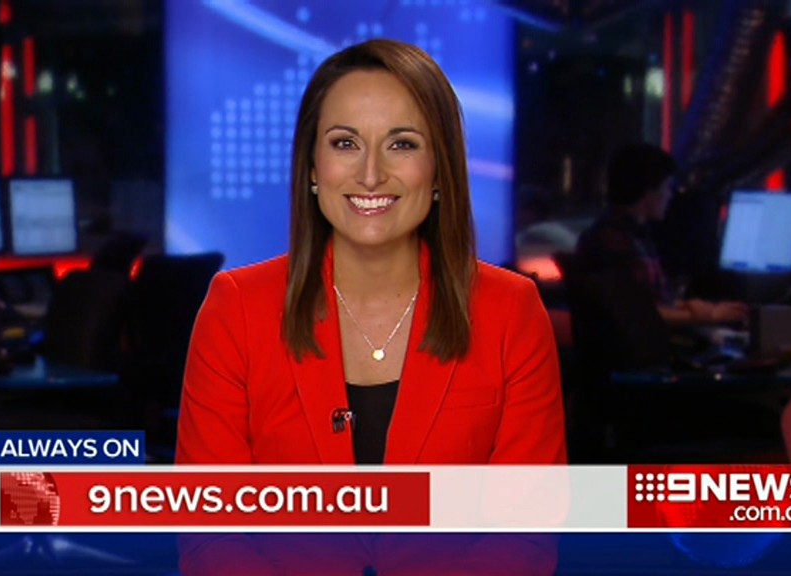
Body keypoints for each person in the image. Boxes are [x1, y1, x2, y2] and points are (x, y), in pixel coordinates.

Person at [176, 39, 565, 575]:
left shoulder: (511, 311)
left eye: (402, 144)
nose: (370, 174)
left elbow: (525, 537)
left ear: (440, 171)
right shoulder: (236, 309)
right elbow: (210, 534)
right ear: (313, 168)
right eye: (345, 143)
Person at [577, 143, 749, 327]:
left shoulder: (634, 234)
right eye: (667, 186)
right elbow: (636, 313)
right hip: (643, 343)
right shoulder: (613, 241)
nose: (670, 195)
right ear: (648, 190)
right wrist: (706, 317)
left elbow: (649, 302)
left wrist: (691, 307)